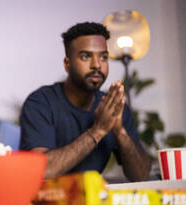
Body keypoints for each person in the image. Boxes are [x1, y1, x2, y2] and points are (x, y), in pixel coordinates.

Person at [20, 22, 151, 181]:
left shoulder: (113, 108)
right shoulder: (40, 103)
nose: (96, 65)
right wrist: (99, 130)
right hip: (48, 201)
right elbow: (41, 170)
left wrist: (119, 131)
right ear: (67, 64)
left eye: (103, 57)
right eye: (85, 56)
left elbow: (142, 176)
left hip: (92, 200)